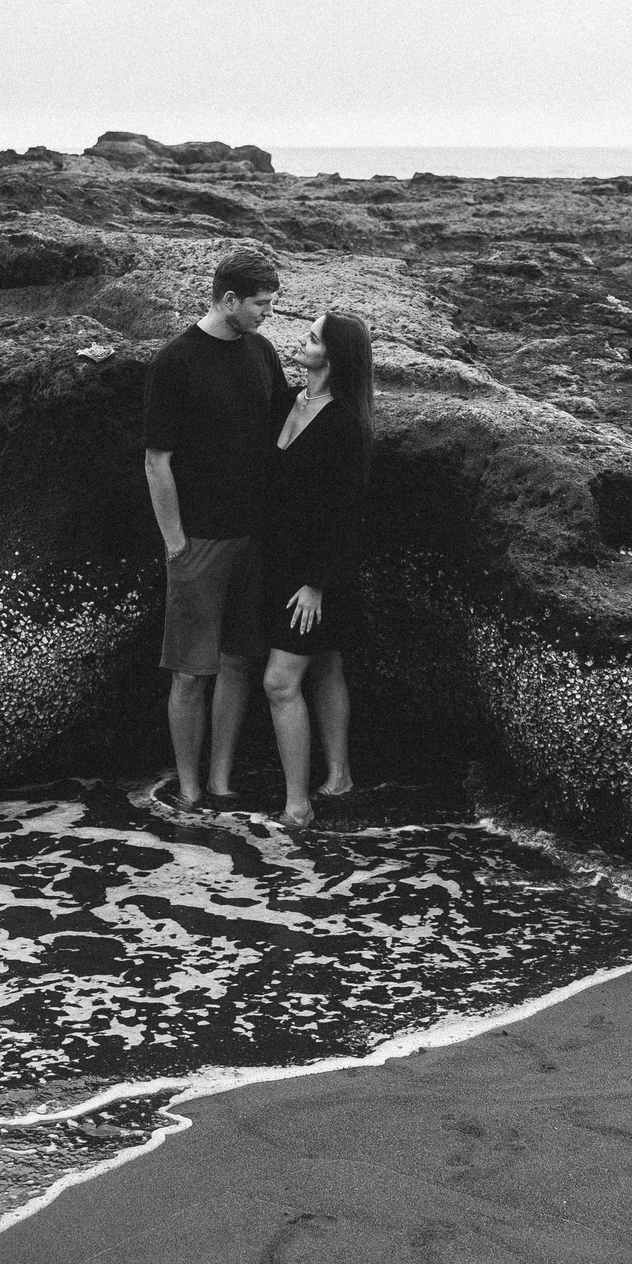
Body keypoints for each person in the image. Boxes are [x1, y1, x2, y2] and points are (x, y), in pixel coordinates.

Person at [143, 248, 292, 809]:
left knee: (238, 662)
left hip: (252, 535)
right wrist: (175, 543)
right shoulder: (177, 361)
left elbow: (284, 425)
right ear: (229, 300)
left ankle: (222, 781)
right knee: (188, 673)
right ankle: (187, 788)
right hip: (198, 541)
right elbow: (157, 459)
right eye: (260, 304)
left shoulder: (261, 351)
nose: (266, 314)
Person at [258, 310, 374, 831]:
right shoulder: (288, 401)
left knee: (281, 683)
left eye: (311, 337)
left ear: (334, 355)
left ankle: (297, 807)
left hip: (316, 578)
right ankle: (339, 778)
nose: (300, 342)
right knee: (325, 665)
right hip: (277, 564)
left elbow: (347, 514)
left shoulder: (346, 425)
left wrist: (316, 584)